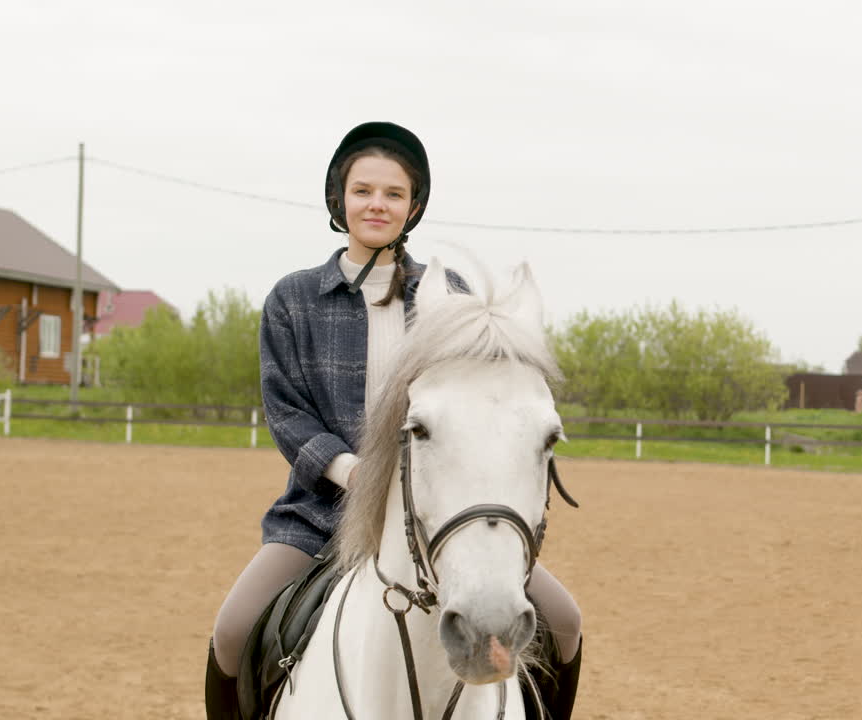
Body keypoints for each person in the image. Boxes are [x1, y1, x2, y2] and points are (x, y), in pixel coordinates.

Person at [204, 122, 582, 720]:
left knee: (563, 622)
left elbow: (484, 406)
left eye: (393, 194)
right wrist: (356, 474)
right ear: (339, 199)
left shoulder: (449, 295)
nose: (376, 204)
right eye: (363, 191)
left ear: (414, 206)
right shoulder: (293, 299)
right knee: (232, 631)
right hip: (322, 513)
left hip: (438, 511)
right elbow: (287, 414)